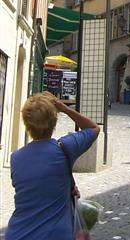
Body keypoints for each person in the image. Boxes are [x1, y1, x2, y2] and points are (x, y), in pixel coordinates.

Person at [6, 91, 100, 240]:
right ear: (54, 122)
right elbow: (93, 128)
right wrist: (63, 107)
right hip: (56, 234)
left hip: (18, 233)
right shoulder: (65, 147)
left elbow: (34, 188)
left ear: (26, 123)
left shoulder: (15, 158)